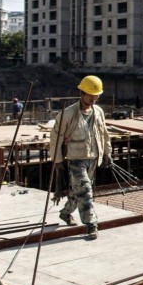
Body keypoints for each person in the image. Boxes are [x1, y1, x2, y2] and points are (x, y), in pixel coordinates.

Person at [48, 75, 112, 241]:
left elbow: (104, 134)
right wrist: (58, 160)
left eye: (96, 96)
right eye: (91, 95)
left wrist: (107, 153)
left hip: (92, 158)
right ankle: (91, 224)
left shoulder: (98, 112)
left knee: (80, 191)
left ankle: (65, 212)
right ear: (81, 93)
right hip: (75, 159)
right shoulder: (67, 114)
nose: (94, 99)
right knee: (85, 190)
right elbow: (56, 137)